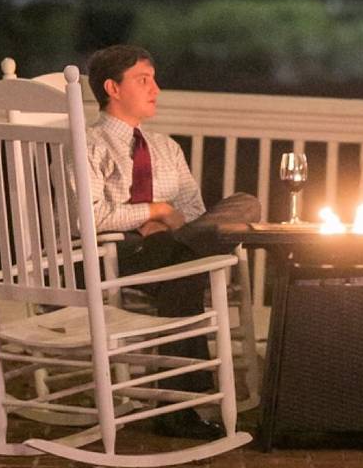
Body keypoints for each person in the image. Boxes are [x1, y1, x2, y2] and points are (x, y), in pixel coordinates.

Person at [86, 44, 261, 439]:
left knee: (245, 204)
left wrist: (172, 223)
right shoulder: (89, 145)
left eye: (154, 79)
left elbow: (197, 217)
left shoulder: (166, 148)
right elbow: (90, 217)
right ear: (113, 88)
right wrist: (156, 211)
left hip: (171, 251)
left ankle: (175, 408)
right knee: (191, 264)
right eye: (143, 80)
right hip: (122, 255)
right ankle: (177, 408)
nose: (156, 89)